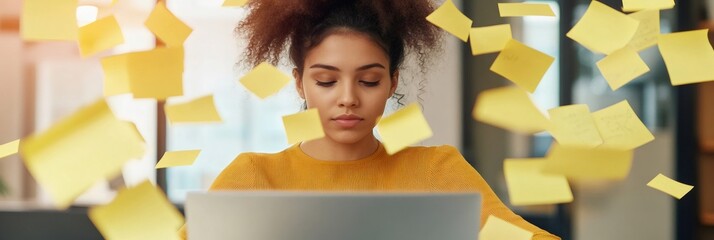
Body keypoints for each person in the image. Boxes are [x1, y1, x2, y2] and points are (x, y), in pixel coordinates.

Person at [179, 0, 560, 239]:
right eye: (326, 80)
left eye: (369, 80)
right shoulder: (253, 178)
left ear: (392, 81)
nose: (348, 98)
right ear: (299, 84)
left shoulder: (437, 171)